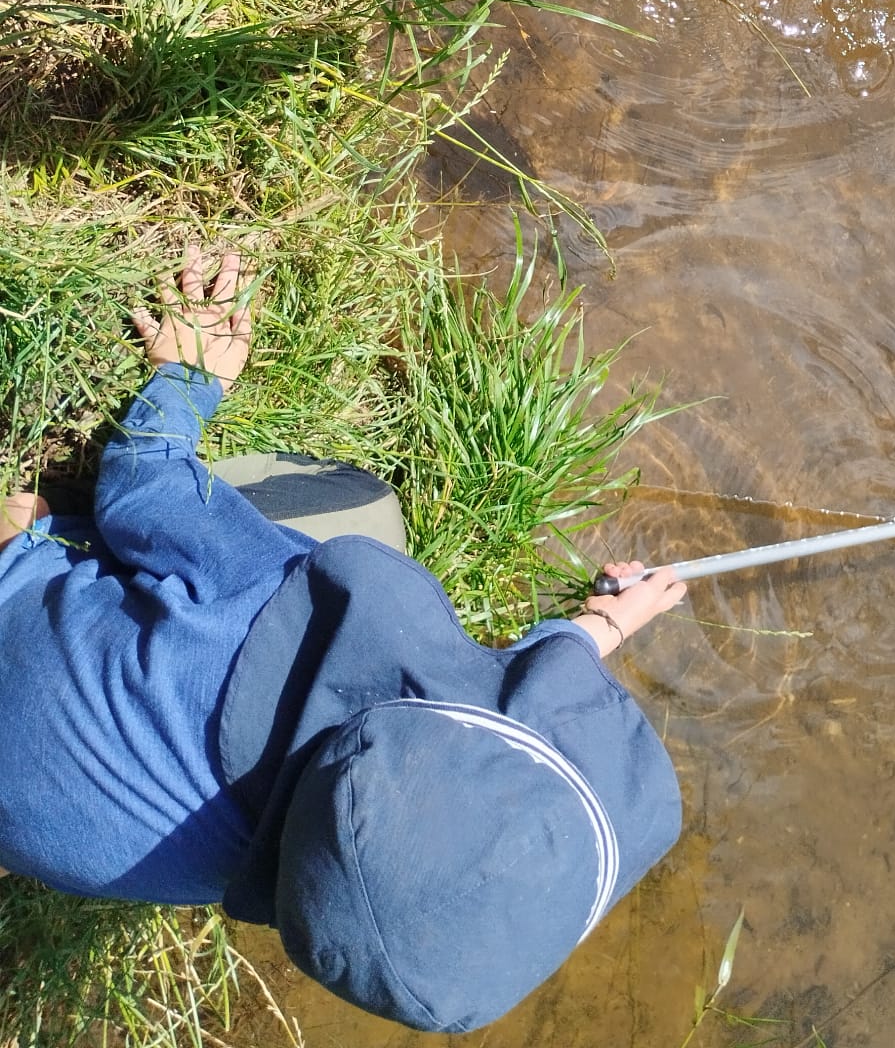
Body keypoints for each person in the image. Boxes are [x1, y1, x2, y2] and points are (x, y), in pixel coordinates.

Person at [0, 247, 687, 1032]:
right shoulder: (335, 879)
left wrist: (192, 374)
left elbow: (140, 482)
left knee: (363, 515)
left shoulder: (272, 611)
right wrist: (595, 625)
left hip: (23, 606)